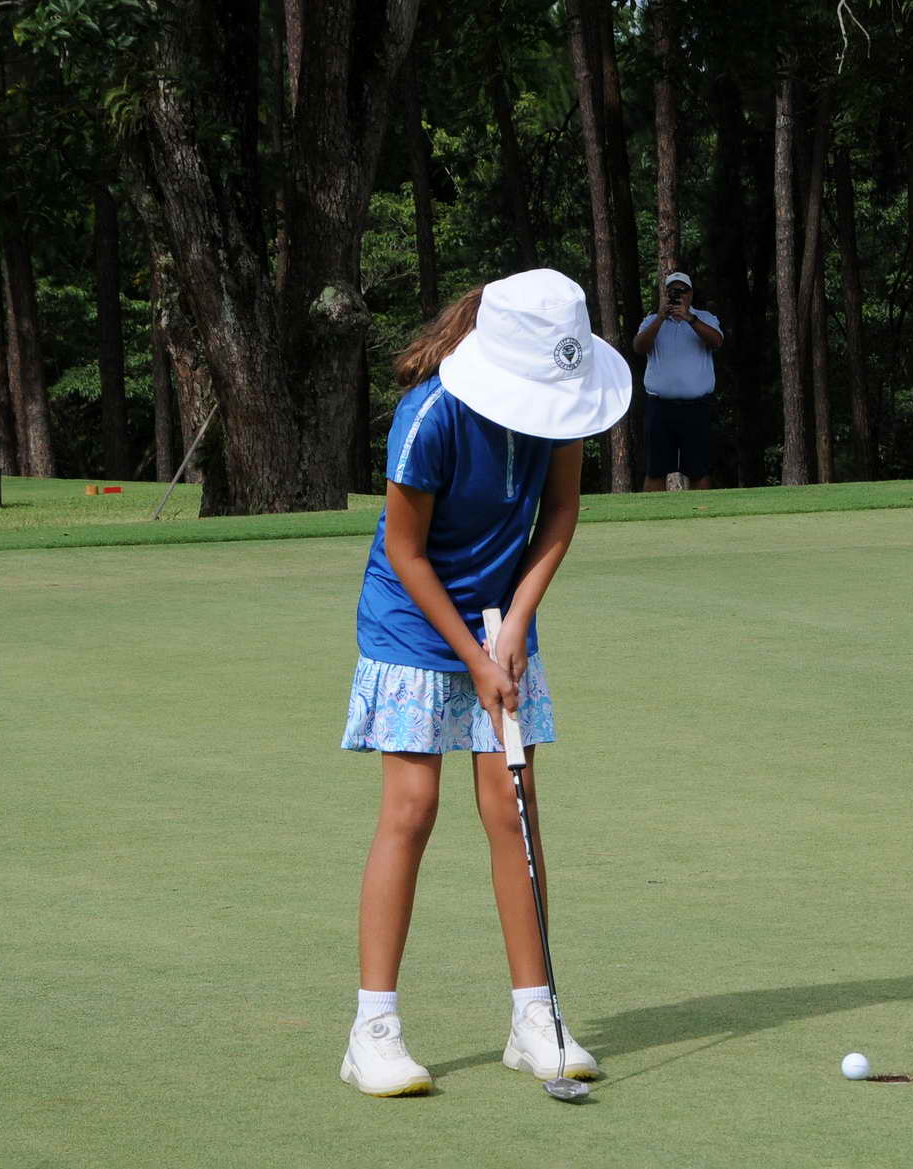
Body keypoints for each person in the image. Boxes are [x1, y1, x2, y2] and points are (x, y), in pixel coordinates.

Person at [337, 269, 631, 1097]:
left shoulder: (561, 405)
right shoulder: (429, 415)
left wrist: (516, 625)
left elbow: (559, 513)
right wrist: (473, 653)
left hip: (502, 619)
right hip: (412, 623)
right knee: (412, 807)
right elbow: (406, 551)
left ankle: (535, 1017)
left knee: (514, 806)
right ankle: (372, 1030)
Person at [633, 270, 724, 491]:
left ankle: (701, 512)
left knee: (699, 470)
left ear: (690, 294)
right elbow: (639, 347)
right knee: (655, 470)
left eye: (682, 291)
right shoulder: (652, 321)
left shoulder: (705, 318)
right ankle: (653, 514)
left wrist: (689, 318)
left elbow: (716, 342)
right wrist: (660, 318)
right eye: (673, 291)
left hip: (696, 408)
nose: (678, 295)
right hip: (659, 407)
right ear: (665, 294)